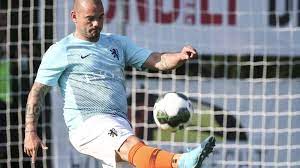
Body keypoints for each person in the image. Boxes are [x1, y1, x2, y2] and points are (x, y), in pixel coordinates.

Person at [23, 0, 216, 167]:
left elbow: (156, 59)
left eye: (101, 17)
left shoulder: (117, 43)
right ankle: (180, 162)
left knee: (139, 154)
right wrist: (30, 131)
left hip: (119, 121)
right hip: (88, 124)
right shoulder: (61, 50)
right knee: (133, 145)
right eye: (90, 18)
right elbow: (37, 91)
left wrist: (179, 56)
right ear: (74, 16)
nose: (97, 23)